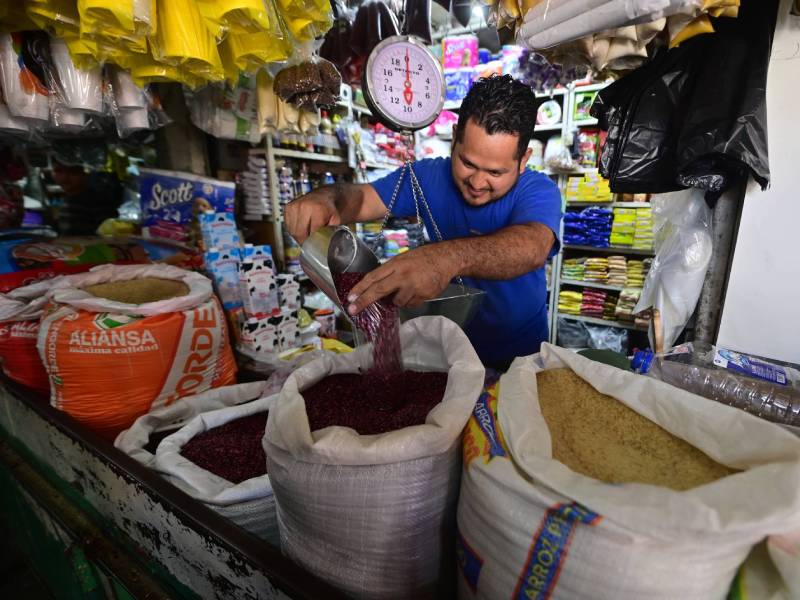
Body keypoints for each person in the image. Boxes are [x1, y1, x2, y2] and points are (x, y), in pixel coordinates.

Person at [285, 75, 562, 369]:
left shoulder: (538, 190)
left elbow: (533, 246)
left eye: (495, 172)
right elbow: (362, 199)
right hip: (444, 354)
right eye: (467, 163)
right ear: (455, 137)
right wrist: (329, 199)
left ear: (523, 159)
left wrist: (444, 258)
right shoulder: (427, 177)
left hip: (518, 357)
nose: (478, 182)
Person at [51, 160, 123, 235]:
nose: (65, 177)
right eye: (58, 171)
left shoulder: (98, 201)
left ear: (85, 174)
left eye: (73, 172)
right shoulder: (68, 199)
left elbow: (110, 235)